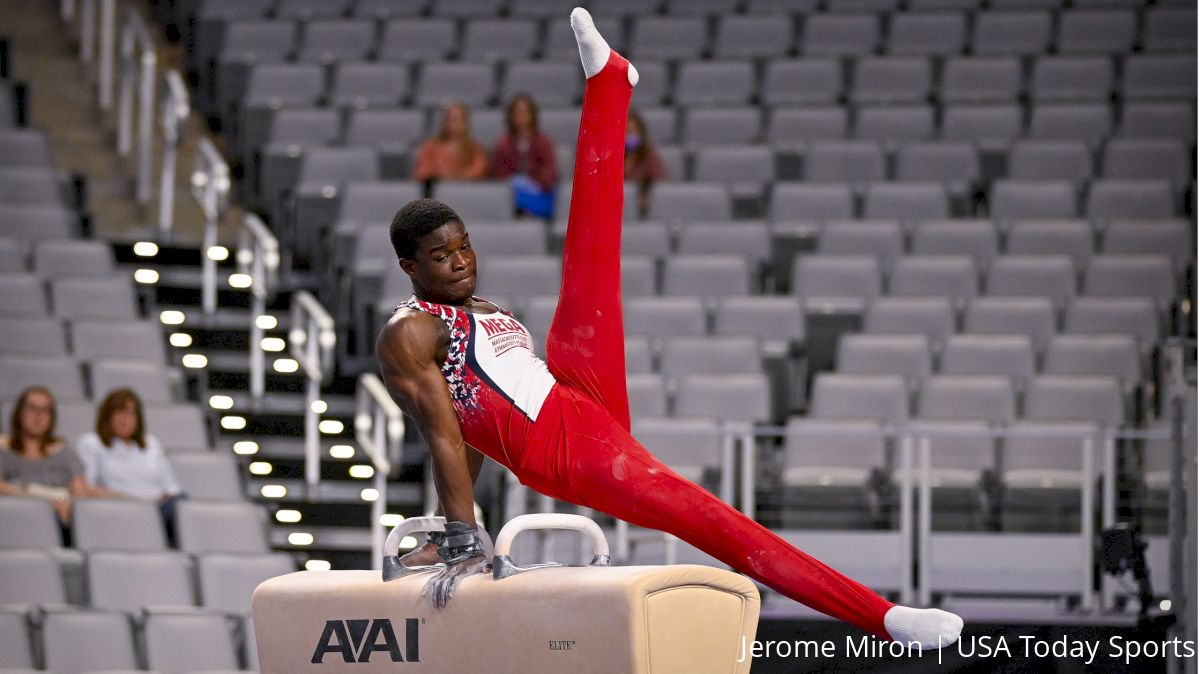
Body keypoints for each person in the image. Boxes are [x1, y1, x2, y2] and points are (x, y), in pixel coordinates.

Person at [376, 8, 963, 650]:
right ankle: (882, 618)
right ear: (409, 266)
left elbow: (475, 424)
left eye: (465, 247)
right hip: (567, 448)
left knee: (591, 257)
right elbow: (444, 432)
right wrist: (462, 532)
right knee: (715, 522)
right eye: (441, 257)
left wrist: (455, 510)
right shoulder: (410, 332)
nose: (460, 262)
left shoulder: (479, 308)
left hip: (575, 392)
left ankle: (609, 85)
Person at [74, 388, 184, 539]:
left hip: (159, 509)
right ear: (107, 416)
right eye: (119, 412)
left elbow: (171, 487)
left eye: (131, 413)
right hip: (118, 510)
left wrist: (165, 497)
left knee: (183, 506)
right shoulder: (92, 443)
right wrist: (128, 498)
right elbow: (86, 489)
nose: (125, 418)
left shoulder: (151, 443)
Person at [0, 386, 103, 524]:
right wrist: (41, 500)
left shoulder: (65, 452)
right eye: (32, 408)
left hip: (60, 522)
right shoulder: (3, 448)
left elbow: (80, 492)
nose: (39, 415)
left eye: (45, 410)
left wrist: (68, 504)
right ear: (19, 413)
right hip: (12, 521)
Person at [490, 93, 559, 219]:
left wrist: (534, 184)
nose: (521, 118)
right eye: (517, 113)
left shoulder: (543, 141)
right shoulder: (503, 143)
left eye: (525, 113)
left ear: (532, 115)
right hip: (513, 195)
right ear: (510, 116)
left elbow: (550, 171)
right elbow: (499, 174)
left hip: (539, 192)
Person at [411, 102, 490, 193]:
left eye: (457, 119)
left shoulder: (476, 149)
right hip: (437, 196)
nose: (452, 123)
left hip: (467, 193)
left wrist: (457, 177)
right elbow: (422, 172)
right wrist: (440, 175)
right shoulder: (430, 147)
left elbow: (479, 171)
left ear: (466, 122)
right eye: (449, 119)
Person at [624, 109, 666, 218]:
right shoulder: (610, 158)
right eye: (627, 131)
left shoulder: (650, 156)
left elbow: (660, 183)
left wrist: (646, 195)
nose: (630, 135)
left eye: (634, 131)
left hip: (643, 210)